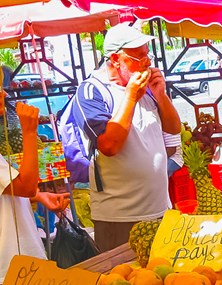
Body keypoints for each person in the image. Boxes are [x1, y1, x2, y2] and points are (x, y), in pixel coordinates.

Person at [72, 22, 181, 251]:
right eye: (139, 57)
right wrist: (131, 96)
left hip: (161, 209)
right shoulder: (92, 91)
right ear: (115, 59)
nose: (148, 62)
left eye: (147, 55)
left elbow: (173, 128)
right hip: (119, 218)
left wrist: (161, 96)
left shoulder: (147, 86)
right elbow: (109, 145)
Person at [0, 83, 70, 280]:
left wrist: (38, 195)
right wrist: (29, 132)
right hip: (11, 265)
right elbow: (25, 185)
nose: (4, 94)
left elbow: (11, 188)